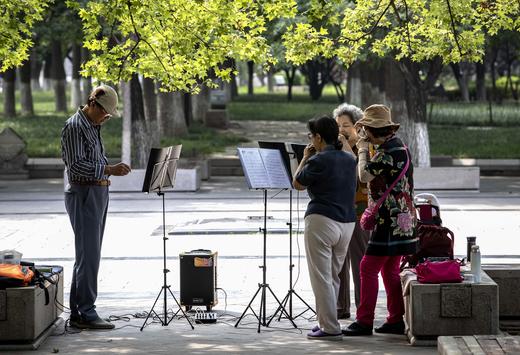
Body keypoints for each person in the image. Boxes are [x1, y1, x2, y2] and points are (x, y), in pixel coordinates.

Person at [342, 104, 418, 336]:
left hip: (389, 220)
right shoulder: (400, 146)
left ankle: (364, 321)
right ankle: (395, 318)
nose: (363, 133)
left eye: (365, 129)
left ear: (373, 130)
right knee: (389, 270)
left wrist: (362, 150)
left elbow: (364, 175)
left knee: (367, 268)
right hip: (403, 219)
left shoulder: (387, 152)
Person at [61, 85, 131, 329]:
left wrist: (107, 170)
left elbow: (92, 160)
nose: (106, 118)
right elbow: (76, 168)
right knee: (88, 256)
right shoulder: (74, 127)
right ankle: (86, 312)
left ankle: (79, 312)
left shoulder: (92, 125)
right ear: (93, 103)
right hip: (83, 194)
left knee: (87, 256)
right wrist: (110, 169)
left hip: (98, 192)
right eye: (105, 113)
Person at [293, 115, 357, 341]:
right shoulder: (350, 159)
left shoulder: (318, 160)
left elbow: (298, 183)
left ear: (319, 137)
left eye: (311, 136)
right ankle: (327, 321)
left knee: (321, 277)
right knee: (333, 275)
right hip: (347, 222)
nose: (311, 140)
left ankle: (330, 327)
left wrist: (304, 158)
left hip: (322, 220)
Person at [333, 103, 371, 319]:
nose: (341, 131)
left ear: (357, 126)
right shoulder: (338, 148)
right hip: (339, 212)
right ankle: (341, 307)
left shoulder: (366, 148)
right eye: (338, 126)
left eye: (346, 125)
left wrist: (345, 147)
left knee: (360, 262)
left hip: (360, 213)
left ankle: (363, 310)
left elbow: (357, 170)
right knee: (338, 262)